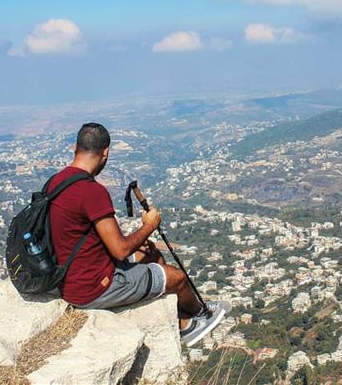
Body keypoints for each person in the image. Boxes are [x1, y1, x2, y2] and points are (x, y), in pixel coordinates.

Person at [48, 122, 225, 347]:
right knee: (178, 278)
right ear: (106, 153)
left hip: (69, 276)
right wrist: (149, 225)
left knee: (150, 253)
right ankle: (198, 318)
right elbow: (120, 249)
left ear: (76, 147)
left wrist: (139, 239)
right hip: (93, 286)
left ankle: (178, 318)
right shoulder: (91, 192)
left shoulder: (56, 181)